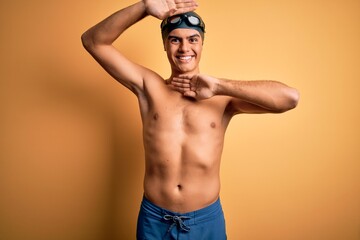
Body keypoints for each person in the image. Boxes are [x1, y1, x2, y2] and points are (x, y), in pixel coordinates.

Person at [81, 0, 299, 239]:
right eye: (175, 39)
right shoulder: (149, 88)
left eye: (192, 39)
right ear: (165, 45)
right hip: (155, 220)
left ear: (202, 43)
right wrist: (144, 7)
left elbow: (289, 98)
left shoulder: (222, 99)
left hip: (206, 221)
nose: (184, 48)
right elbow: (93, 41)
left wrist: (219, 85)